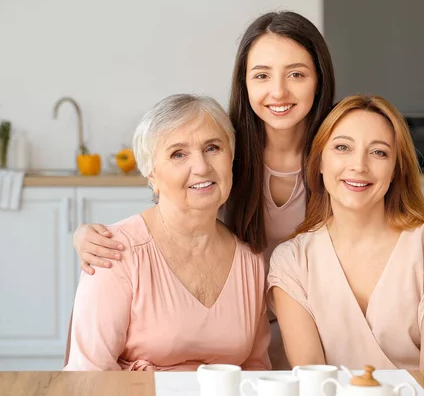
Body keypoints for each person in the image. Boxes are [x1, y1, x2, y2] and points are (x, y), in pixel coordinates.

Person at [69, 11, 424, 369]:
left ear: (320, 80)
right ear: (244, 83)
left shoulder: (342, 153)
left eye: (297, 74)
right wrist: (91, 238)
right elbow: (169, 216)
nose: (278, 92)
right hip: (242, 340)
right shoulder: (224, 155)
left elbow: (402, 232)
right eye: (261, 75)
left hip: (334, 341)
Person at [268, 94, 424, 370]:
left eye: (379, 152)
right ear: (318, 162)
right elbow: (312, 376)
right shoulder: (291, 261)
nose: (359, 166)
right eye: (342, 147)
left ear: (394, 171)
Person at [64, 94, 270, 371]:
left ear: (231, 158)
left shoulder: (250, 263)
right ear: (151, 175)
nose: (201, 167)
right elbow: (88, 375)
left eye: (212, 148)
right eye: (178, 154)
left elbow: (256, 374)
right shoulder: (113, 253)